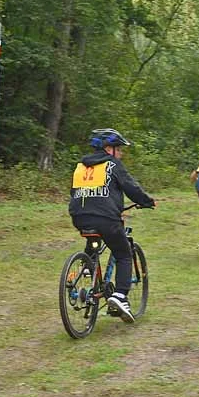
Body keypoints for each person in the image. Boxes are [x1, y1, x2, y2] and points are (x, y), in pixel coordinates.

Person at [69, 128, 155, 323]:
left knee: (94, 242)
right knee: (123, 252)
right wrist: (147, 201)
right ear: (109, 149)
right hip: (106, 218)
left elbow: (74, 192)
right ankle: (120, 296)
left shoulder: (80, 166)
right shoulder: (112, 164)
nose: (121, 153)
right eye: (119, 149)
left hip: (79, 217)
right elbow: (130, 187)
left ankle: (87, 272)